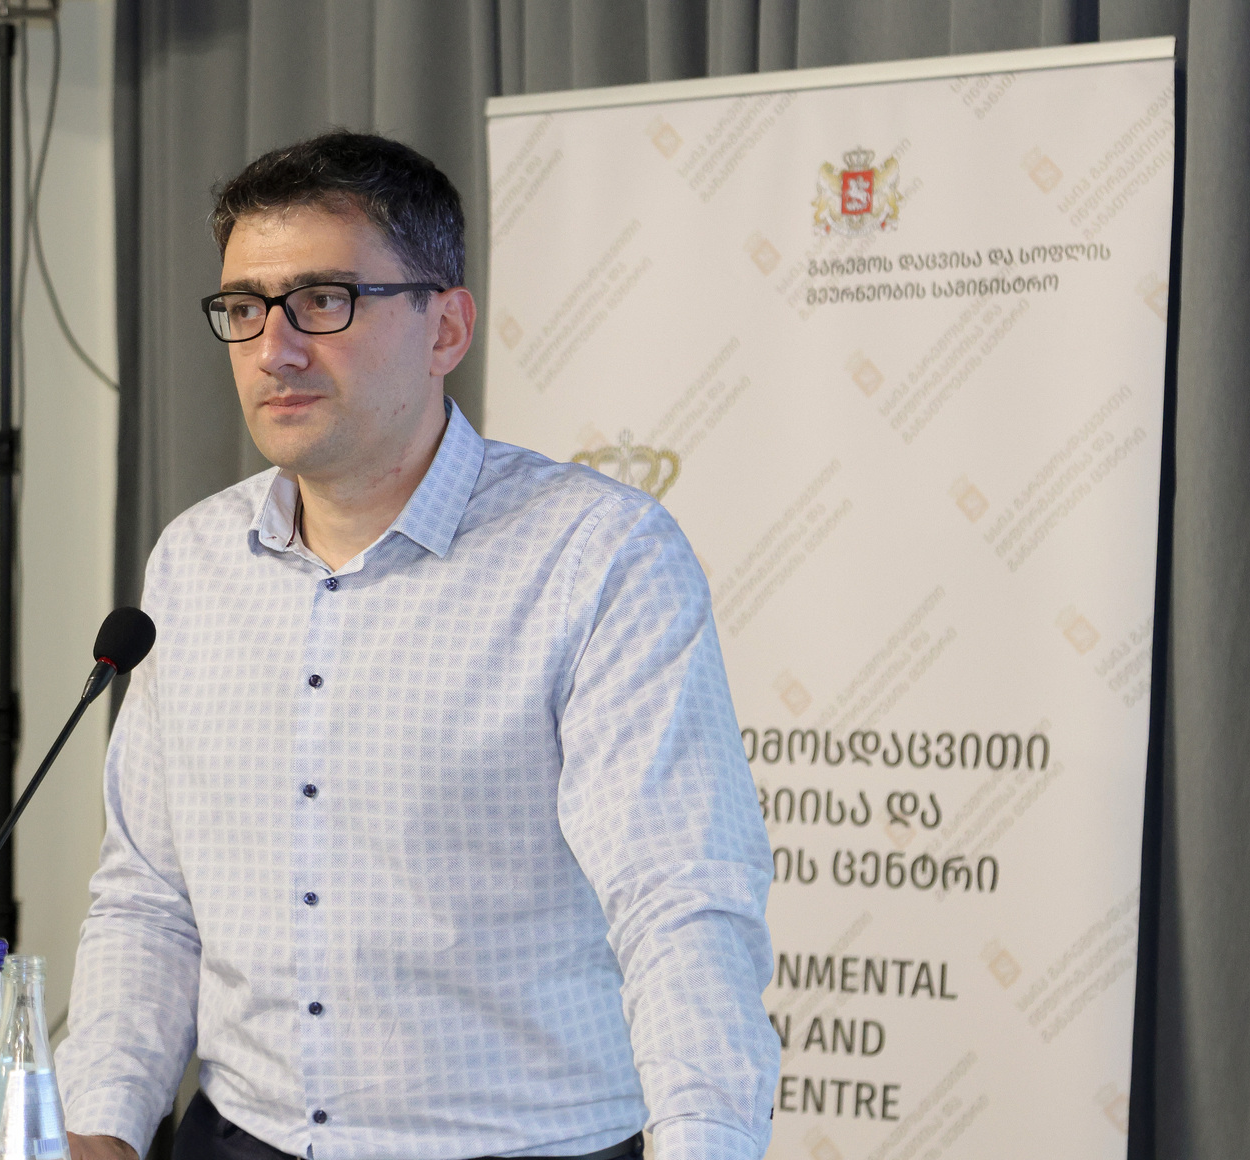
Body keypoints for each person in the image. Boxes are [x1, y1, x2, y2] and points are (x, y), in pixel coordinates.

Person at [57, 130, 777, 1160]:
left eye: (324, 300)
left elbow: (681, 897)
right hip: (239, 1137)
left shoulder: (596, 557)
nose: (275, 349)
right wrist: (100, 1128)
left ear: (447, 327)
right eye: (245, 307)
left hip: (522, 1145)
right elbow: (149, 895)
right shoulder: (193, 563)